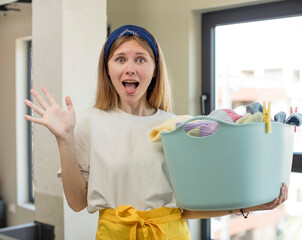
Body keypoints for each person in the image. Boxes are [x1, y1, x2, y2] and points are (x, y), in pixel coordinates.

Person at [24, 25, 288, 239]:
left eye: (141, 59)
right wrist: (64, 140)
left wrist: (250, 206)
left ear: (154, 70)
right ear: (107, 69)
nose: (130, 67)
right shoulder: (89, 122)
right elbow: (77, 202)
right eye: (120, 59)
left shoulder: (176, 127)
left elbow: (188, 208)